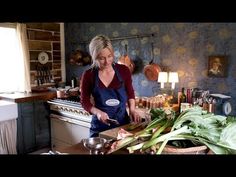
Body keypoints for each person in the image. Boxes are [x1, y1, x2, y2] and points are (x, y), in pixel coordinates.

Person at [80, 34, 141, 137]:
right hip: (99, 126)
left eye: (109, 56)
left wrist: (132, 109)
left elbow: (130, 93)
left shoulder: (124, 70)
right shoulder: (89, 75)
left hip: (122, 125)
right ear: (94, 57)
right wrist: (98, 113)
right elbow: (84, 101)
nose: (107, 62)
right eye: (101, 58)